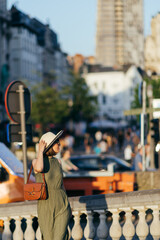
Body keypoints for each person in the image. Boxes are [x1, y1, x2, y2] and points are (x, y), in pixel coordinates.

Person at [32, 130, 71, 240]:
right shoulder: (36, 161)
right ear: (48, 145)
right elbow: (39, 168)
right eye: (56, 142)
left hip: (62, 204)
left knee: (59, 237)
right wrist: (40, 151)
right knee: (49, 237)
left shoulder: (58, 162)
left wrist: (68, 205)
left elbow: (62, 185)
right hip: (46, 205)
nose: (59, 144)